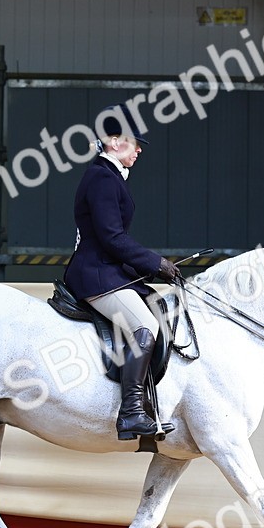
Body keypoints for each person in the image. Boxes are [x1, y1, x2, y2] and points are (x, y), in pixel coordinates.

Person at [64, 105, 181, 441]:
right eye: (134, 142)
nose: (139, 149)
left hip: (107, 269)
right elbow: (112, 238)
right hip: (95, 273)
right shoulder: (102, 178)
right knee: (145, 326)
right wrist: (155, 263)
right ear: (114, 142)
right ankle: (130, 412)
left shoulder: (109, 176)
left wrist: (149, 268)